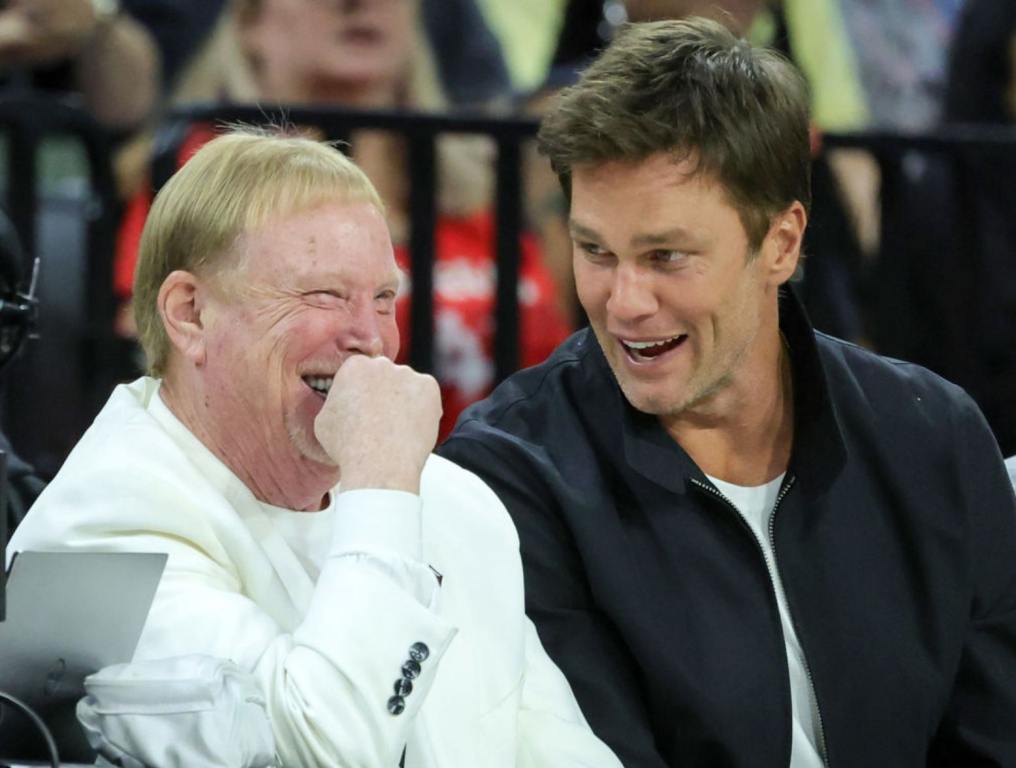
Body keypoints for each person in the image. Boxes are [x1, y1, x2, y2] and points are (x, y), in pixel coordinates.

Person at [439, 17, 1016, 767]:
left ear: (780, 242)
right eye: (596, 252)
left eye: (665, 255)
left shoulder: (934, 438)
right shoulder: (505, 482)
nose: (624, 302)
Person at [8, 129, 621, 768]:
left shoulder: (454, 503)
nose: (371, 339)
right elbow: (325, 750)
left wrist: (388, 486)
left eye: (384, 299)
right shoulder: (98, 535)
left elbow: (558, 748)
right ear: (190, 313)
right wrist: (381, 484)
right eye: (324, 295)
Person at [113, 0, 572, 438]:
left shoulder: (488, 180)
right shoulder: (199, 171)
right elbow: (155, 351)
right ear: (251, 23)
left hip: (488, 489)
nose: (358, 4)